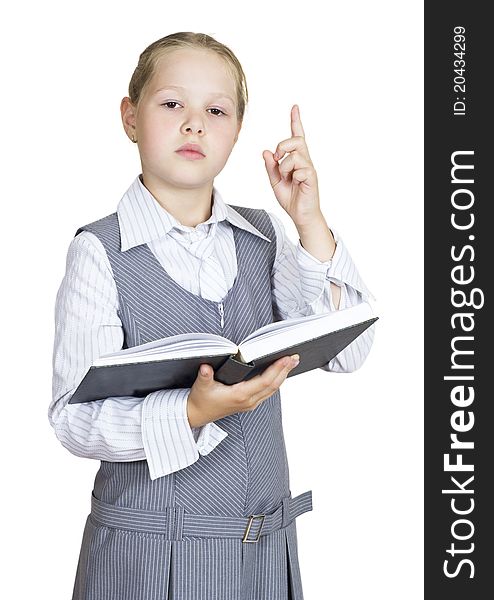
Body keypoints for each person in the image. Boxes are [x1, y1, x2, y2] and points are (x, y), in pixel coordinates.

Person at [49, 31, 375, 600]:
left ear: (238, 132)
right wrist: (188, 413)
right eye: (172, 104)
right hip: (150, 563)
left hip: (262, 561)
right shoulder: (100, 251)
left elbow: (348, 353)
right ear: (130, 117)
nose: (194, 124)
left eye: (216, 110)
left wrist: (310, 221)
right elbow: (71, 419)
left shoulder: (266, 238)